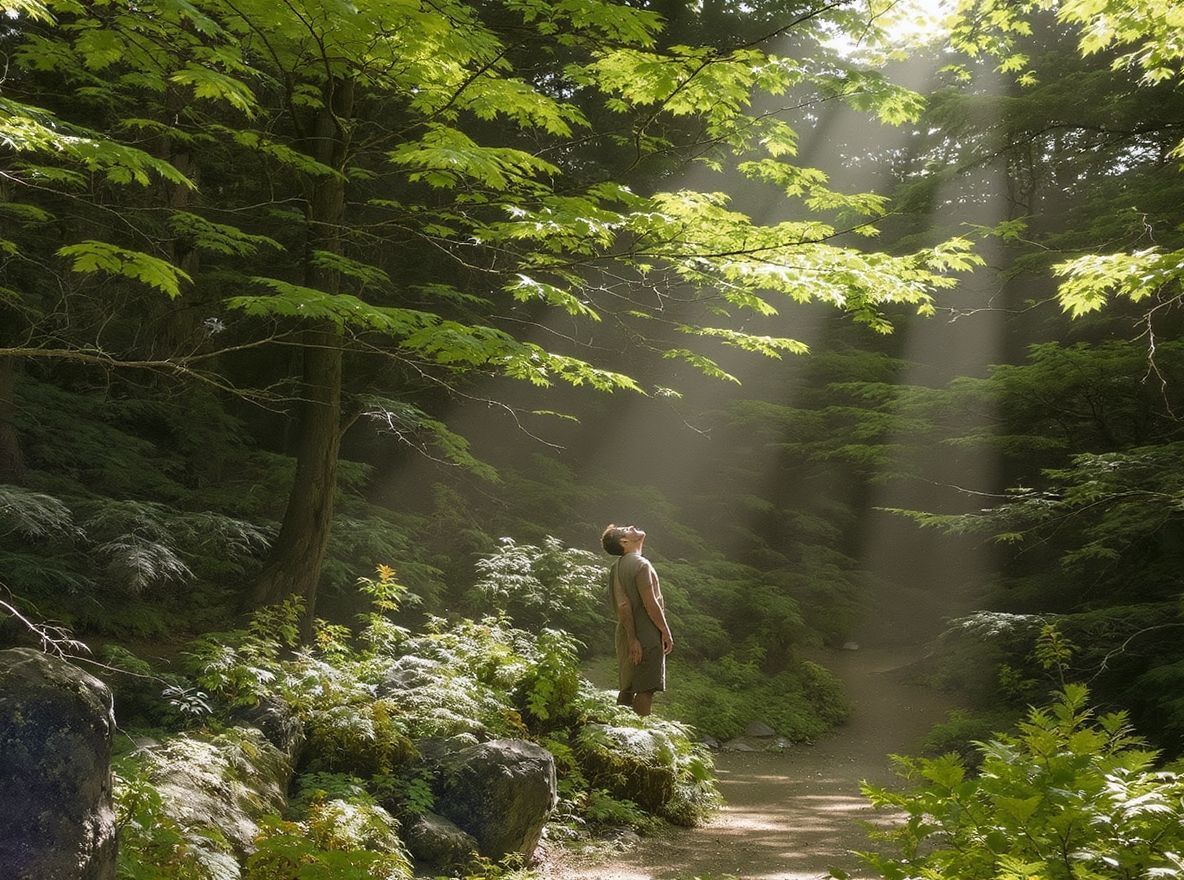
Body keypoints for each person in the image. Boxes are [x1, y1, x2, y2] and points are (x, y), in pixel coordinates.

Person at [601, 523, 673, 717]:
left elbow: (623, 606)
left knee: (628, 686)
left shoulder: (617, 567)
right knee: (646, 688)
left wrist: (631, 639)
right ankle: (638, 737)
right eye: (627, 529)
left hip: (626, 633)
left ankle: (620, 732)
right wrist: (665, 632)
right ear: (624, 542)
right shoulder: (642, 564)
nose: (632, 527)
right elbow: (651, 604)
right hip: (648, 634)